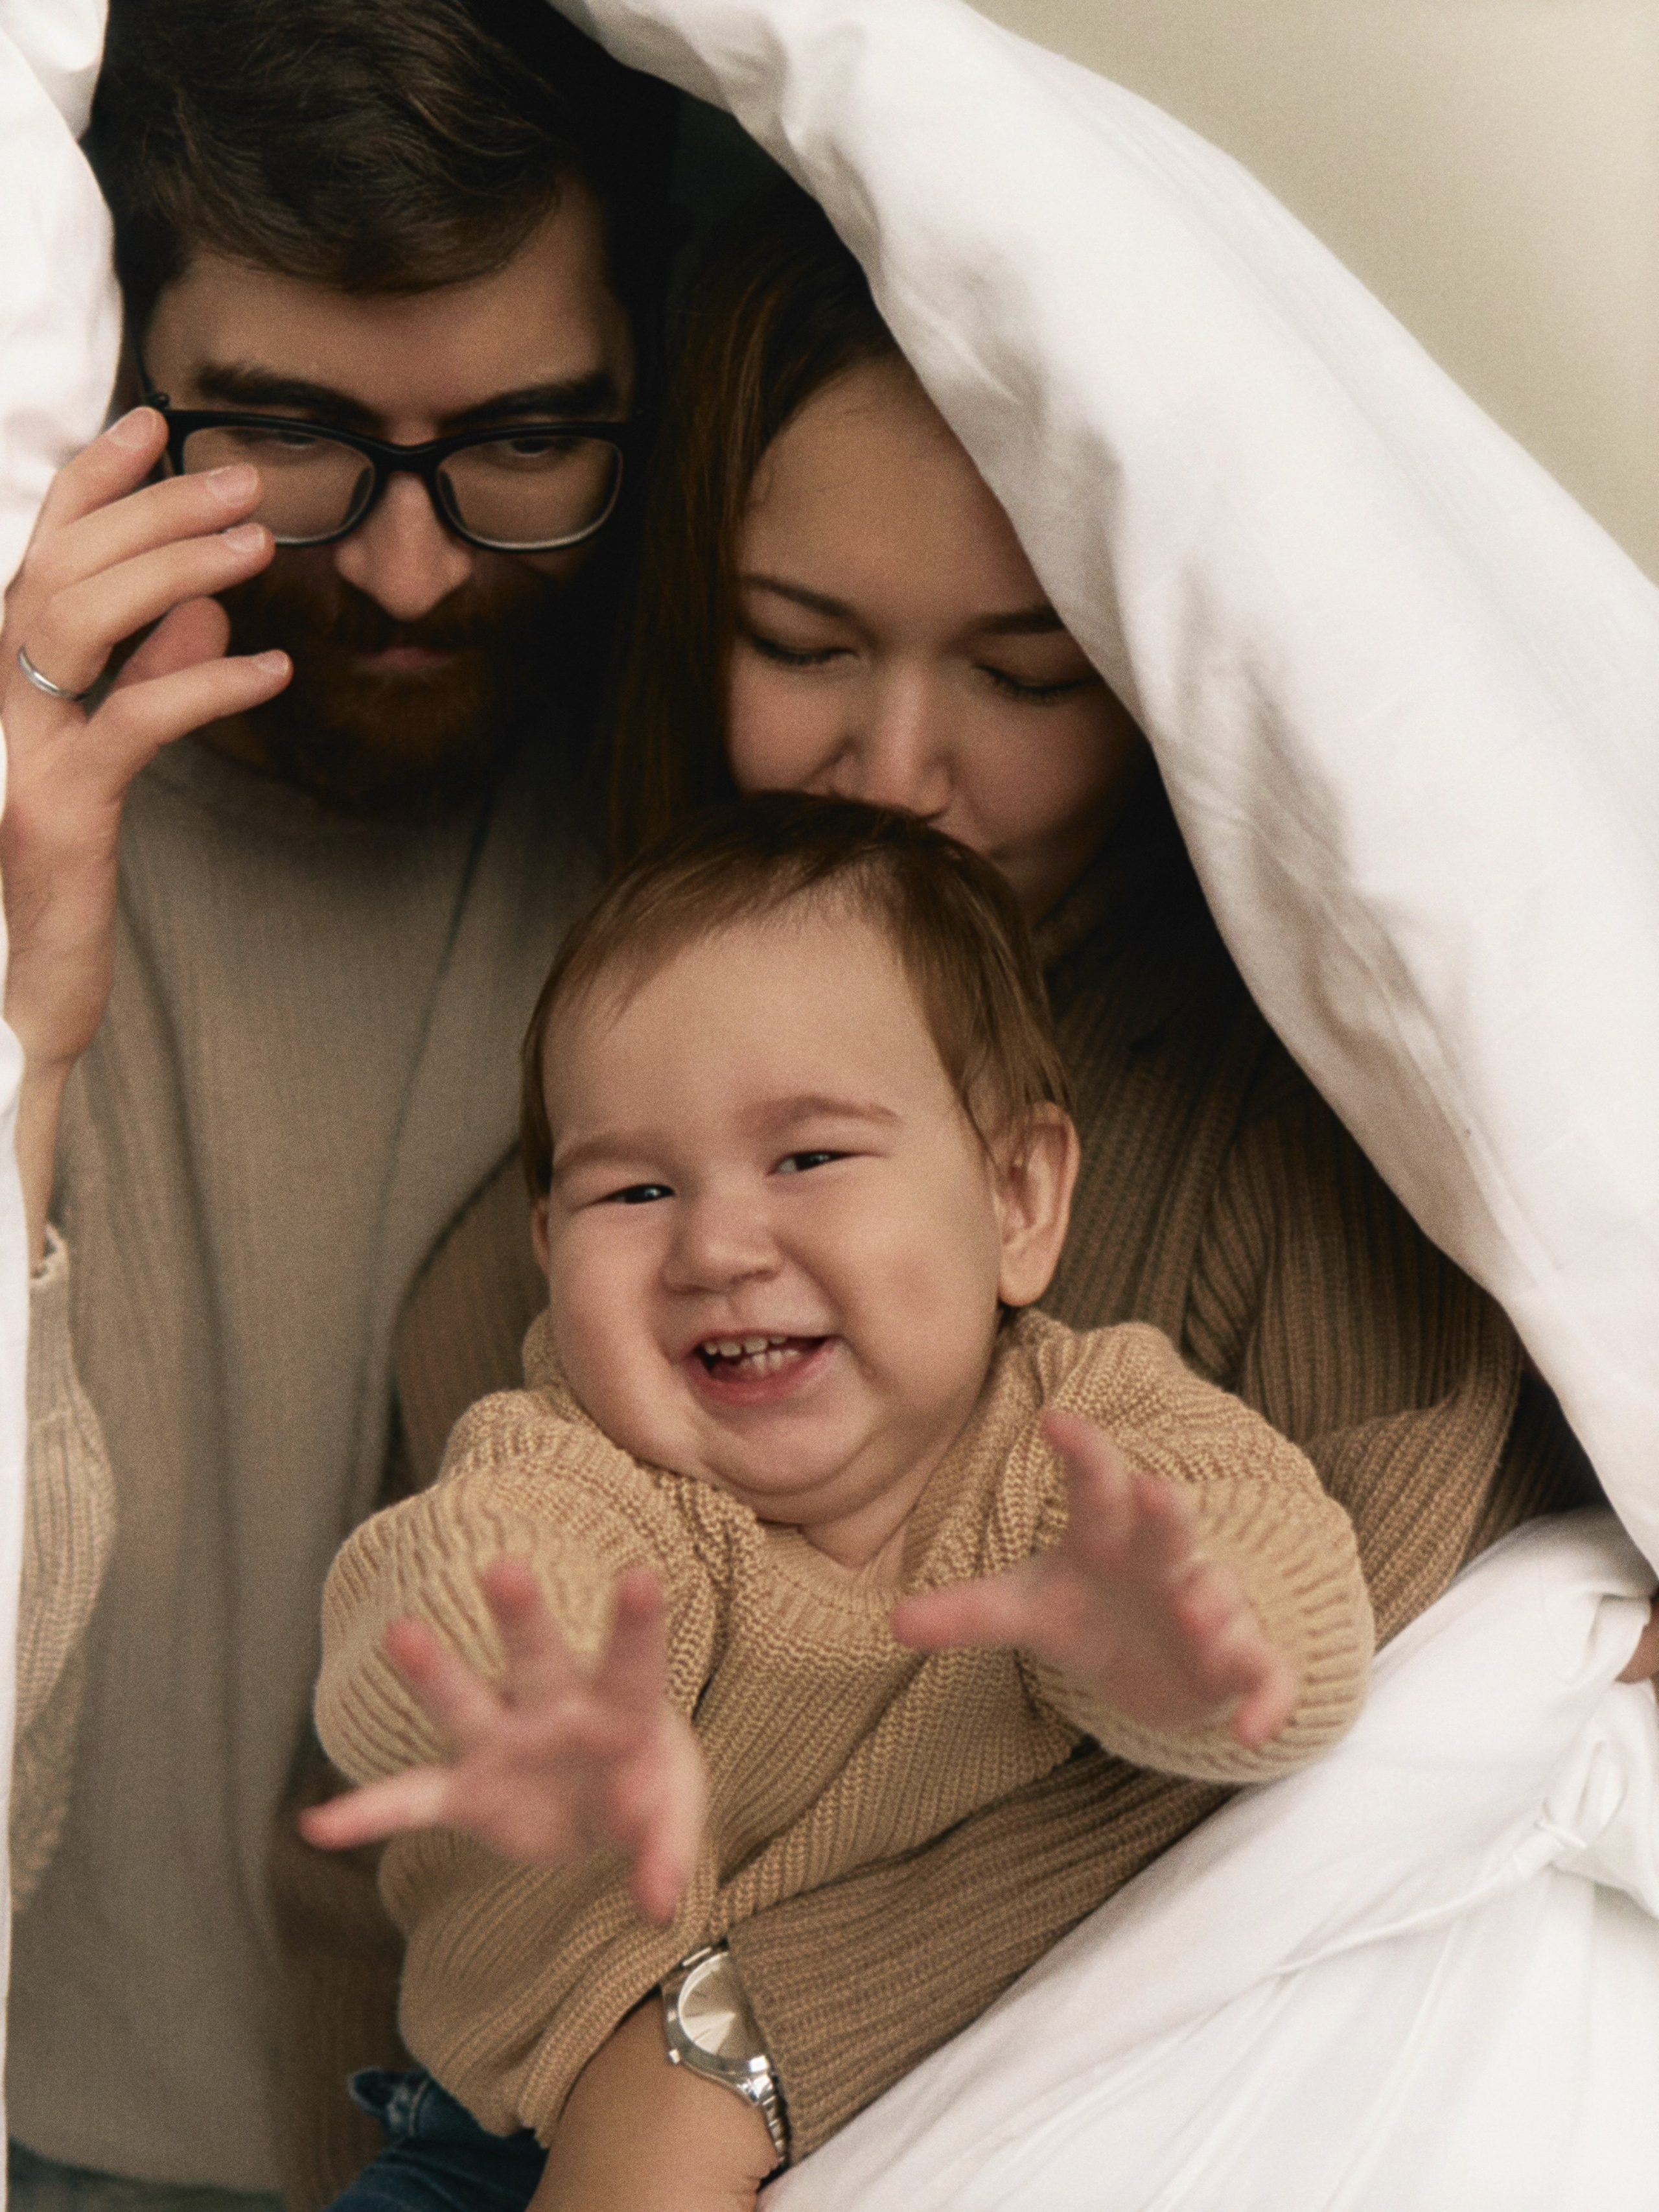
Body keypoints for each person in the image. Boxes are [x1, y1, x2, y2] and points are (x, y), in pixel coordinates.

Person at [431, 182, 1594, 2201]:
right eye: (801, 644)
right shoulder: (567, 1232)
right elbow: (438, 1701)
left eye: (1024, 675)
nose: (897, 765)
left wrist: (735, 2040)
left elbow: (1364, 1688)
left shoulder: (1289, 1140)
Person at [302, 795, 1374, 2211]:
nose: (718, 1245)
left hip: (946, 2109)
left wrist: (1190, 1640)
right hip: (499, 2152)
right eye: (631, 1189)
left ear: (1016, 1199)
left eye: (806, 1158)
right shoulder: (588, 1468)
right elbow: (460, 1566)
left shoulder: (1089, 1445)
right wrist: (516, 1679)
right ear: (547, 1246)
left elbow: (1297, 1604)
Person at [0, 1, 677, 2204]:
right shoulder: (33, 804)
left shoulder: (717, 778)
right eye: (287, 436)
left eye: (525, 442)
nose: (408, 565)